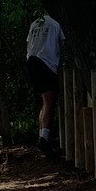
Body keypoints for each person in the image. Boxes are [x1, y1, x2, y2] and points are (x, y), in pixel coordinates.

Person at [24, 11, 65, 151]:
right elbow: (62, 43)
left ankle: (42, 135)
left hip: (31, 61)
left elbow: (28, 44)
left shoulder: (34, 23)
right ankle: (44, 138)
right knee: (49, 101)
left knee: (44, 101)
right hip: (46, 63)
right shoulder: (55, 23)